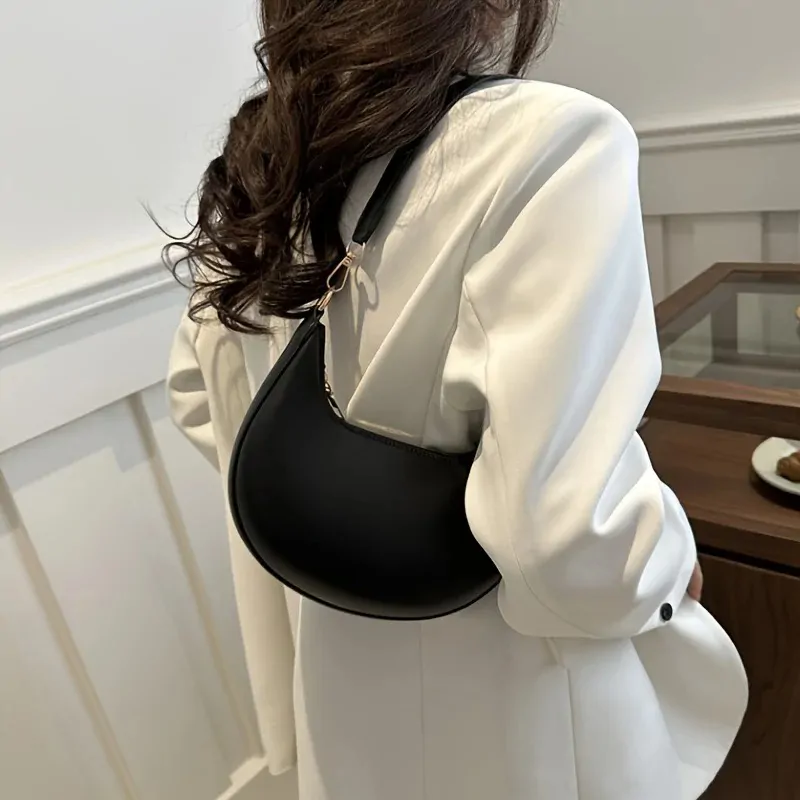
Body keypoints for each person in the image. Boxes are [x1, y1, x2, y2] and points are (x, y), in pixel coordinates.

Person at [166, 1, 748, 798]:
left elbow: (200, 395)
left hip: (340, 672)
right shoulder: (548, 141)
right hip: (514, 704)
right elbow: (564, 534)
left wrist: (338, 498)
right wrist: (667, 567)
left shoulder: (268, 158)